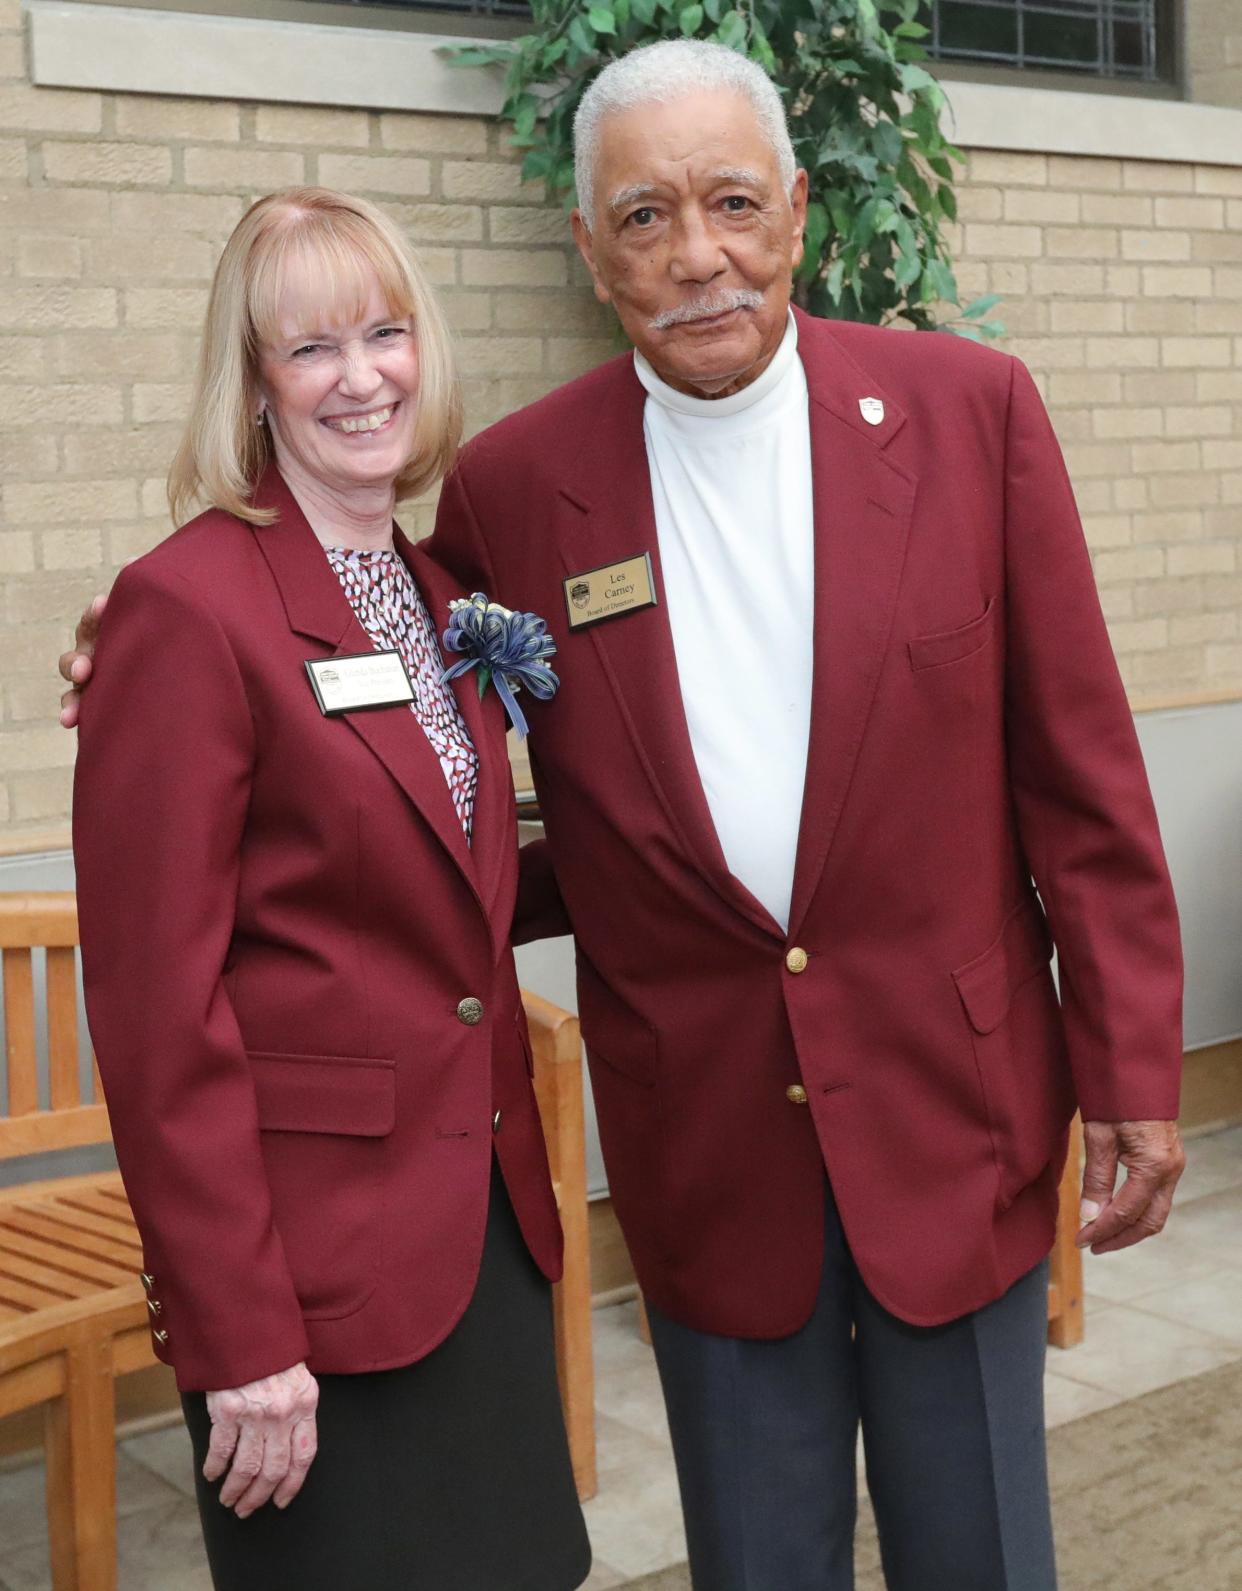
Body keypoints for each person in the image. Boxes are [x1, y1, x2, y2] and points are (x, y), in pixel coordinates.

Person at [62, 43, 1186, 1591]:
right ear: (591, 251)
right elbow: (351, 708)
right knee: (757, 1557)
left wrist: (1130, 1060)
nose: (697, 253)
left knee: (982, 1551)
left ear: (793, 211)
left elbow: (1080, 769)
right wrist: (141, 645)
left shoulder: (968, 412)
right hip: (703, 1137)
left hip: (955, 1108)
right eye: (645, 217)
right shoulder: (518, 491)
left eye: (731, 202)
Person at [68, 187, 590, 1591]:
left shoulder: (432, 591)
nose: (362, 377)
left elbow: (435, 895)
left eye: (386, 331)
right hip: (309, 1273)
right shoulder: (186, 609)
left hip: (477, 1225)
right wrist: (240, 1338)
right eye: (310, 350)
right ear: (250, 384)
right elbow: (156, 1015)